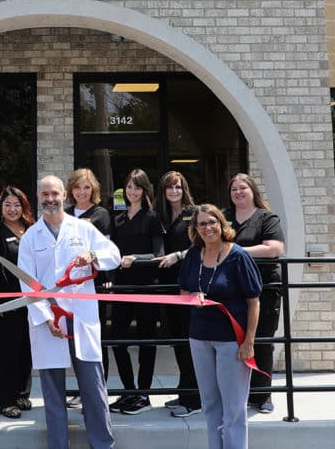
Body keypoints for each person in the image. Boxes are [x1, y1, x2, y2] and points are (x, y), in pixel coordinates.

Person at [17, 175, 121, 449]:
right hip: (49, 321)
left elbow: (114, 255)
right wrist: (47, 317)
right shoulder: (30, 237)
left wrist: (93, 256)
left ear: (64, 195)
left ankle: (103, 444)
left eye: (54, 193)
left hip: (81, 317)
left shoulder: (83, 229)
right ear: (38, 197)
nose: (50, 199)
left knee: (93, 387)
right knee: (53, 393)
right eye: (44, 194)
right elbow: (27, 283)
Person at [179, 204, 261, 449]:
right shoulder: (194, 254)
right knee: (211, 404)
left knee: (234, 408)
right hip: (199, 338)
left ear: (221, 224)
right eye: (201, 224)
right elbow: (183, 291)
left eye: (212, 222)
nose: (207, 228)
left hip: (231, 341)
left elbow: (253, 302)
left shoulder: (238, 255)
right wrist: (193, 296)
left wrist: (249, 342)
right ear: (196, 229)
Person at [222, 173, 285, 414]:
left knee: (262, 340)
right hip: (232, 290)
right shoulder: (225, 218)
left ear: (253, 191)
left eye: (242, 188)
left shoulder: (266, 218)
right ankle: (241, 393)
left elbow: (274, 249)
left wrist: (236, 251)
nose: (238, 192)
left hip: (264, 288)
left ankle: (263, 395)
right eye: (233, 189)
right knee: (234, 341)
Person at [108, 168, 164, 415]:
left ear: (145, 190)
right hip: (122, 288)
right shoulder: (117, 218)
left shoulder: (152, 217)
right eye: (129, 187)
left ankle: (144, 393)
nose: (132, 192)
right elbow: (110, 254)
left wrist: (134, 258)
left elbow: (159, 255)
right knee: (117, 340)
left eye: (137, 187)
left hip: (146, 288)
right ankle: (129, 390)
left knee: (146, 342)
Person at [0, 185, 37, 418]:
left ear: (24, 207)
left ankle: (22, 394)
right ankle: (5, 400)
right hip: (8, 303)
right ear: (0, 207)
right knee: (8, 352)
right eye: (7, 204)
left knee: (27, 349)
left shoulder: (32, 230)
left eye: (16, 204)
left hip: (32, 301)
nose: (12, 209)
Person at [64, 167, 114, 404]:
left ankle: (97, 390)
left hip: (93, 283)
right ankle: (81, 389)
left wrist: (106, 275)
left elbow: (106, 249)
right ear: (70, 190)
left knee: (94, 339)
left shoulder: (101, 214)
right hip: (68, 286)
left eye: (86, 187)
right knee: (73, 341)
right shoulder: (64, 213)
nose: (82, 192)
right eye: (77, 187)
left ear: (93, 189)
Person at [154, 171, 202, 418]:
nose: (174, 192)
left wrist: (179, 255)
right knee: (177, 339)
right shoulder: (160, 215)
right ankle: (185, 391)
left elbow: (202, 243)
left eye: (178, 187)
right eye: (169, 187)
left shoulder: (195, 213)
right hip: (166, 285)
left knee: (188, 339)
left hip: (188, 284)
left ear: (184, 189)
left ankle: (194, 399)